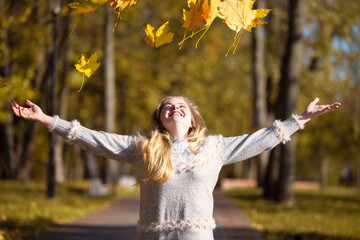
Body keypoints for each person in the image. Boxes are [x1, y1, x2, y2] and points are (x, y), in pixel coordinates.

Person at [9, 96, 341, 240]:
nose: (174, 108)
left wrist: (300, 119)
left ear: (192, 118)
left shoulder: (215, 147)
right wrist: (47, 120)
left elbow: (261, 139)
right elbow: (93, 139)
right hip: (153, 236)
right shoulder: (143, 148)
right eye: (168, 106)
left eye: (181, 106)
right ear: (161, 119)